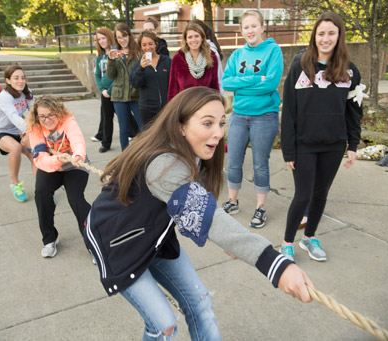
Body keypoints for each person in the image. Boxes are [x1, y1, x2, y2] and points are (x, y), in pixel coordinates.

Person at [83, 86, 314, 340]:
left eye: (221, 123)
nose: (218, 133)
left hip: (153, 235)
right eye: (207, 123)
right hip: (117, 242)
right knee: (164, 325)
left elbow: (204, 208)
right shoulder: (164, 163)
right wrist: (274, 264)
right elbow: (209, 216)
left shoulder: (193, 152)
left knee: (201, 303)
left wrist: (230, 240)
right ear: (181, 126)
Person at [279, 12, 364, 262]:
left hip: (334, 145)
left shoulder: (349, 71)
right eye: (321, 33)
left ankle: (310, 238)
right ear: (314, 36)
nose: (326, 39)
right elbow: (290, 113)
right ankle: (286, 243)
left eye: (331, 33)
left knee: (320, 195)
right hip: (304, 145)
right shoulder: (300, 66)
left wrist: (353, 144)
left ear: (339, 37)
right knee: (302, 196)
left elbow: (354, 112)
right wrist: (288, 150)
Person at [221, 10, 283, 230]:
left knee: (260, 164)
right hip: (239, 115)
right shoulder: (237, 55)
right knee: (234, 160)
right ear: (241, 30)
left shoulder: (273, 50)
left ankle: (260, 208)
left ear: (262, 27)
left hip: (264, 116)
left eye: (254, 26)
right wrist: (256, 79)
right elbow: (227, 83)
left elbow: (271, 84)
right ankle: (232, 201)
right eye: (246, 27)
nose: (250, 30)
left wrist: (242, 84)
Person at [27, 95, 91, 258]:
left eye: (51, 115)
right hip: (51, 165)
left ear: (58, 112)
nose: (47, 120)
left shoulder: (68, 121)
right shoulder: (35, 128)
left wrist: (78, 155)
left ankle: (93, 241)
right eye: (42, 116)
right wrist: (57, 159)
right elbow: (40, 158)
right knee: (41, 193)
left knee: (76, 199)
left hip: (74, 166)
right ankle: (49, 239)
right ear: (37, 116)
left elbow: (78, 141)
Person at [0, 65, 36, 202]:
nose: (20, 81)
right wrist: (30, 130)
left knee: (36, 154)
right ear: (8, 80)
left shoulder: (27, 92)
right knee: (15, 148)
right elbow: (14, 117)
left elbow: (35, 111)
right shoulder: (5, 97)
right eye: (16, 78)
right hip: (2, 132)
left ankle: (42, 190)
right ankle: (15, 183)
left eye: (22, 78)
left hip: (19, 131)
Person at [107, 23, 143, 151]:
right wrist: (110, 60)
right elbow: (110, 75)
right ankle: (125, 156)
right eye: (118, 37)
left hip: (136, 95)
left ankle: (145, 153)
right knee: (124, 129)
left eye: (124, 36)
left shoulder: (138, 52)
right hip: (119, 96)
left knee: (143, 128)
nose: (122, 40)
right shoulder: (115, 53)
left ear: (129, 35)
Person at [167, 22, 220, 101]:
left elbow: (215, 87)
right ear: (186, 40)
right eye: (190, 37)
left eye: (196, 36)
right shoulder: (178, 59)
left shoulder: (212, 57)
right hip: (184, 106)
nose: (193, 40)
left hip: (205, 105)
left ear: (202, 38)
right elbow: (173, 89)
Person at [130, 30, 172, 128]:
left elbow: (174, 82)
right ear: (141, 47)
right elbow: (135, 84)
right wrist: (141, 68)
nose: (148, 47)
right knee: (150, 139)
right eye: (144, 45)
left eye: (150, 44)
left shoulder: (167, 61)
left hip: (166, 108)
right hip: (147, 110)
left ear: (155, 44)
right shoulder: (137, 65)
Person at [92, 28, 117, 153]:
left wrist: (110, 90)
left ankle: (138, 133)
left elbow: (119, 74)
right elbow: (97, 75)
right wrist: (102, 90)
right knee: (107, 118)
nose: (101, 41)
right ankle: (105, 143)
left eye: (103, 38)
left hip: (116, 92)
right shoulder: (100, 57)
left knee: (126, 116)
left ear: (109, 37)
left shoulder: (116, 53)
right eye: (99, 39)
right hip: (104, 93)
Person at [191, 19, 224, 95]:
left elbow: (218, 79)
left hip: (208, 97)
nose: (193, 39)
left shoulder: (211, 52)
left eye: (196, 35)